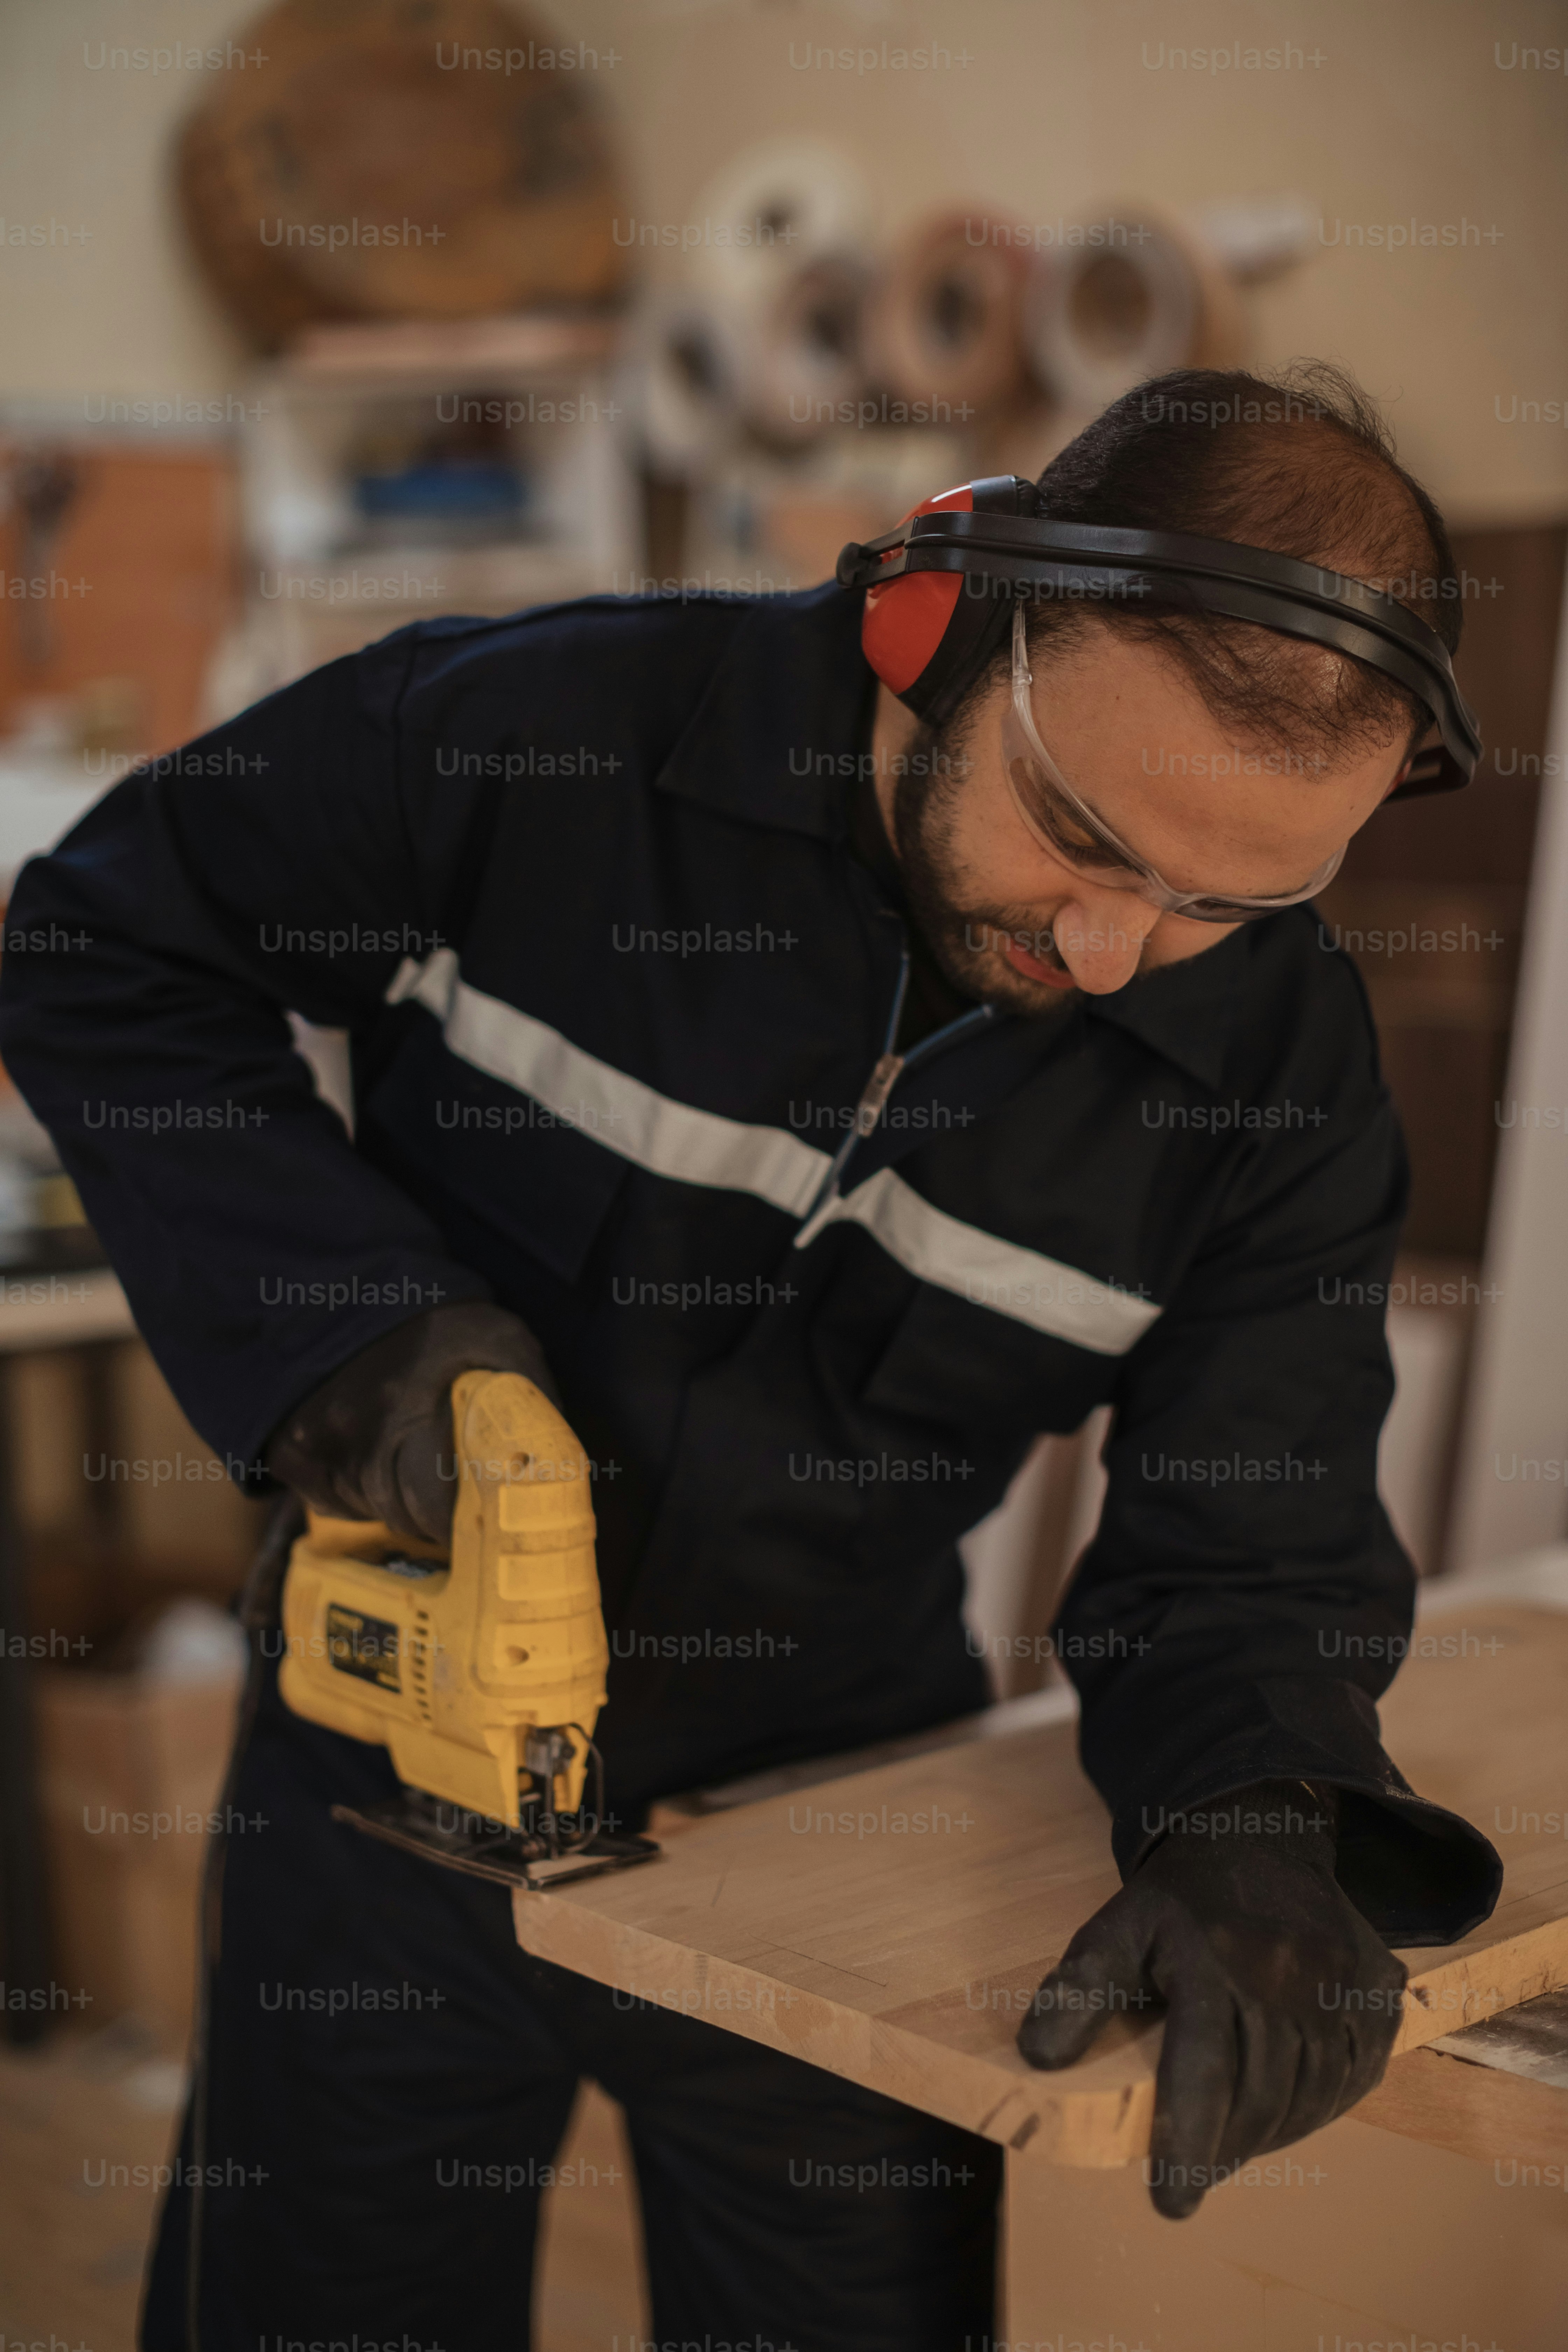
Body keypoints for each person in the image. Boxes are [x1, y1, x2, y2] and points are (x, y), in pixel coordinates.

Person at [0, 364, 1500, 2352]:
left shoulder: (1281, 1076)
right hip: (393, 1749)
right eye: (1079, 837)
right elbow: (104, 949)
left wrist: (1254, 1811)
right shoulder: (552, 738)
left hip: (839, 1800)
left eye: (1235, 898)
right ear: (940, 628)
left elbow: (1253, 1526)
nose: (1124, 950)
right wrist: (343, 1327)